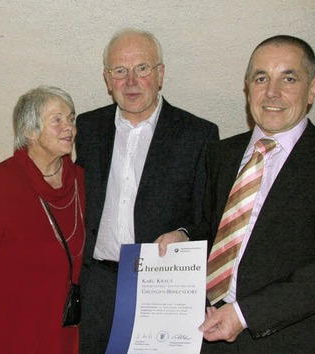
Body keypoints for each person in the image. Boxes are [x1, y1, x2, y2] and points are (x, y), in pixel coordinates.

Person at [75, 28, 219, 353]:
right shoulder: (87, 128)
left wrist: (183, 233)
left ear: (160, 74)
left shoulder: (198, 135)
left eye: (142, 68)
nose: (131, 81)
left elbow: (209, 219)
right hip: (97, 285)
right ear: (107, 79)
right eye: (120, 71)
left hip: (161, 286)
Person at [195, 35, 315, 354]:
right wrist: (182, 236)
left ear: (313, 88)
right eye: (261, 78)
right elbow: (210, 229)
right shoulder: (221, 154)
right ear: (247, 86)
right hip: (206, 334)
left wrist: (243, 314)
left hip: (285, 340)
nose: (272, 92)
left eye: (288, 78)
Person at [0, 86, 85, 354]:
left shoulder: (81, 180)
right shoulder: (3, 181)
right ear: (29, 132)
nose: (69, 127)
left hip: (62, 322)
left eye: (71, 118)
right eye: (56, 120)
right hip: (9, 323)